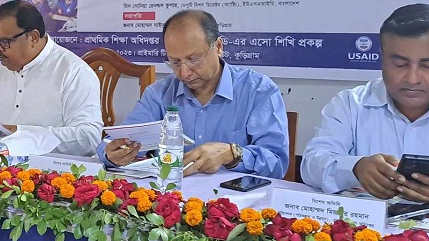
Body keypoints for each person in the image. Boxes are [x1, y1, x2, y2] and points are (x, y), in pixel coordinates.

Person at [301, 4, 429, 202]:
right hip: (366, 221)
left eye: (428, 65)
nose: (412, 79)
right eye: (399, 64)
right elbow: (312, 165)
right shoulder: (350, 105)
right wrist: (355, 167)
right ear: (382, 57)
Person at [97, 10, 289, 178]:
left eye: (193, 59)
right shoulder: (159, 94)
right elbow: (110, 143)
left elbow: (277, 164)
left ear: (218, 47)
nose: (184, 73)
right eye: (175, 62)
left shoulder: (258, 91)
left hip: (235, 203)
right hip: (171, 197)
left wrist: (231, 154)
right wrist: (112, 154)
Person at [0, 0, 103, 156]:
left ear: (33, 37)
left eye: (5, 41)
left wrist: (24, 135)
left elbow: (89, 138)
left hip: (50, 171)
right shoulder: (2, 72)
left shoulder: (73, 72)